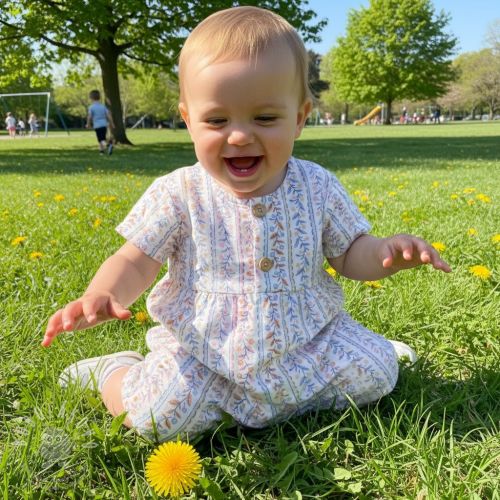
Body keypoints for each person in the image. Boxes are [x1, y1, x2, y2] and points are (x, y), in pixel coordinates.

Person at [42, 6, 451, 442]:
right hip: (206, 353)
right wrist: (104, 293)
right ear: (188, 120)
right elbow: (135, 260)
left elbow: (350, 254)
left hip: (308, 344)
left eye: (265, 118)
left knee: (378, 371)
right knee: (156, 416)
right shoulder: (179, 192)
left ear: (299, 118)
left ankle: (369, 351)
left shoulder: (317, 185)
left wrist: (385, 253)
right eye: (217, 120)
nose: (239, 136)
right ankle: (114, 371)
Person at [86, 90, 114, 155]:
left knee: (100, 139)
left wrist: (88, 124)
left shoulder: (91, 107)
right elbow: (109, 115)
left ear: (91, 98)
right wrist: (112, 123)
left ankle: (108, 145)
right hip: (104, 124)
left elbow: (89, 116)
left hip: (97, 125)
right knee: (102, 138)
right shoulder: (103, 106)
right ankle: (101, 152)